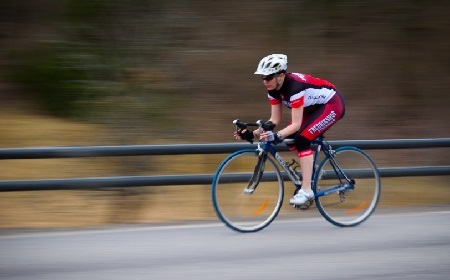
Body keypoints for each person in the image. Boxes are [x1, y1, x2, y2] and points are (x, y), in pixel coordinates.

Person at [235, 54, 345, 206]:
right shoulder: (273, 89)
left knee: (302, 139)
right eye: (262, 78)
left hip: (332, 104)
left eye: (268, 78)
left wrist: (277, 135)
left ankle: (306, 190)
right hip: (312, 108)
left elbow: (296, 124)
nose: (265, 81)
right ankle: (314, 170)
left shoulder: (295, 87)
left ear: (280, 75)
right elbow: (274, 120)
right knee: (290, 138)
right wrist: (251, 133)